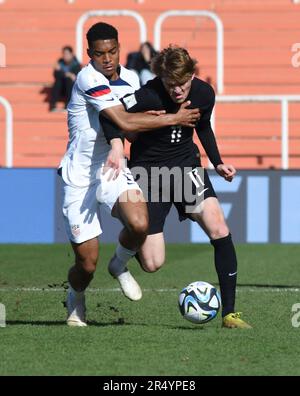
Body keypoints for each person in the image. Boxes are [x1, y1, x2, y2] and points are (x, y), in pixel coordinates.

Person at [58, 24, 200, 327]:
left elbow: (129, 127)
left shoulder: (132, 79)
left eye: (112, 51)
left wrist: (140, 127)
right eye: (99, 53)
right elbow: (121, 118)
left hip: (112, 168)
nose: (107, 58)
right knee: (86, 263)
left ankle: (120, 265)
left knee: (140, 223)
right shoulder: (87, 78)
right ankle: (76, 297)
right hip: (80, 176)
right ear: (89, 54)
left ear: (120, 48)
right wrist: (172, 119)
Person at [104, 46, 252, 329]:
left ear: (191, 75)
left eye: (182, 84)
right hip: (150, 174)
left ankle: (230, 314)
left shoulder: (204, 93)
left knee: (219, 228)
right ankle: (122, 253)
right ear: (162, 79)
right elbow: (109, 116)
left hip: (186, 168)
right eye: (171, 85)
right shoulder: (148, 93)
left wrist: (218, 162)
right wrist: (117, 144)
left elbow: (203, 126)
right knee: (152, 263)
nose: (177, 91)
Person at [50, 46, 81, 112]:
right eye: (64, 54)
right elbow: (56, 75)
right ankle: (52, 106)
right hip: (61, 88)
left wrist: (62, 72)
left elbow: (75, 78)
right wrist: (67, 74)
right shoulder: (60, 62)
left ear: (71, 54)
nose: (65, 56)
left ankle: (67, 105)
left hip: (71, 90)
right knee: (58, 82)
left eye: (67, 54)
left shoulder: (76, 65)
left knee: (68, 81)